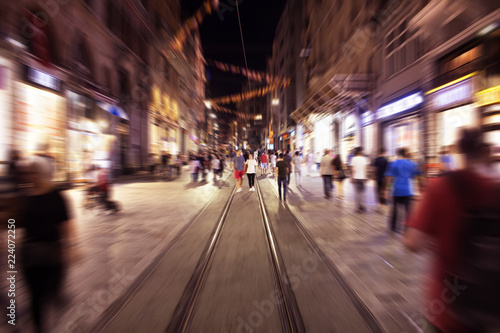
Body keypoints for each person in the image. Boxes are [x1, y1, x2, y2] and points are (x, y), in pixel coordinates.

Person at [404, 129, 500, 332]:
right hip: (491, 304)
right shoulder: (494, 189)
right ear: (486, 152)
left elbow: (413, 243)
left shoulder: (440, 187)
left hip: (447, 304)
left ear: (459, 152)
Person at [19, 156, 78, 333]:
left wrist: (71, 246)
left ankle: (55, 297)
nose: (30, 176)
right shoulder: (25, 196)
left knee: (51, 292)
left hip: (53, 251)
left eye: (33, 172)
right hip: (29, 253)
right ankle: (40, 328)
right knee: (35, 296)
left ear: (43, 173)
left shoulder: (56, 195)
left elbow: (66, 222)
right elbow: (16, 221)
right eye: (29, 172)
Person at [385, 147, 419, 232]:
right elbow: (415, 177)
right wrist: (418, 189)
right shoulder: (412, 164)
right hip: (407, 190)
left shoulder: (393, 163)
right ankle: (408, 227)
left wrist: (387, 190)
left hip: (396, 189)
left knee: (395, 209)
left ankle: (393, 227)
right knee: (408, 210)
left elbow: (389, 178)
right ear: (406, 153)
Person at [351, 146, 369, 212]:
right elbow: (365, 169)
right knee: (362, 192)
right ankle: (362, 205)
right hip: (362, 178)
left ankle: (358, 207)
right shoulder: (364, 159)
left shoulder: (353, 159)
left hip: (356, 177)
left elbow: (353, 169)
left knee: (357, 192)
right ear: (361, 151)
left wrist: (352, 177)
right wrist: (366, 177)